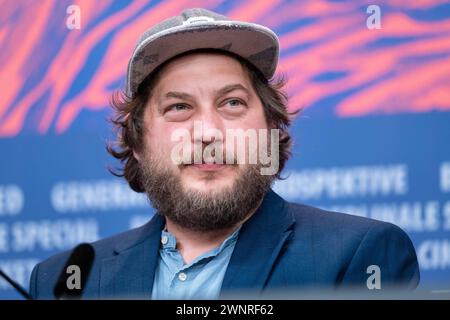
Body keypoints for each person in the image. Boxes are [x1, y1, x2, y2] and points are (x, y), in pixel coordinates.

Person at [29, 8, 419, 299]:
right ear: (138, 144)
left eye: (232, 103)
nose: (209, 132)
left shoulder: (360, 255)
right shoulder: (60, 282)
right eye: (178, 108)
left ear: (270, 130)